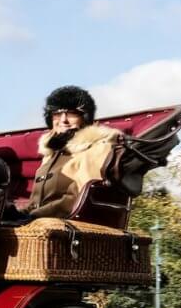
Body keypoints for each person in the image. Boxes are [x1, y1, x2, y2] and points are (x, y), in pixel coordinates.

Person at [23, 85, 119, 219]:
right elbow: (34, 204)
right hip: (39, 224)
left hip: (69, 226)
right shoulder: (51, 153)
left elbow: (80, 196)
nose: (63, 120)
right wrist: (18, 214)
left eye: (72, 113)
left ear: (85, 118)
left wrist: (34, 216)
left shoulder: (96, 148)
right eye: (57, 114)